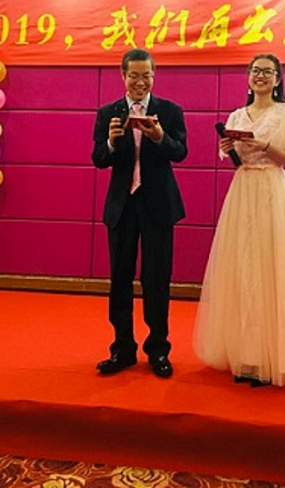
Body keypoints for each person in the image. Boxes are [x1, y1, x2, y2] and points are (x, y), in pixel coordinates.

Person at [193, 53, 285, 388]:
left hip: (272, 189)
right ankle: (246, 355)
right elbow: (234, 159)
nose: (260, 76)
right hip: (243, 189)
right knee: (242, 268)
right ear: (248, 77)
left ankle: (271, 358)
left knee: (270, 267)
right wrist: (228, 146)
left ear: (277, 79)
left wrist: (265, 145)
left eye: (267, 71)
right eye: (255, 71)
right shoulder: (237, 115)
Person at [92, 48, 187, 378]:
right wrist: (111, 142)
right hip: (122, 207)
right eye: (133, 75)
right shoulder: (108, 113)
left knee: (156, 280)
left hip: (158, 207)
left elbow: (181, 152)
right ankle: (122, 349)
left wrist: (160, 137)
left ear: (154, 75)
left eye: (146, 75)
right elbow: (98, 159)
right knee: (120, 280)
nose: (140, 82)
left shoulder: (170, 111)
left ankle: (158, 350)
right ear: (123, 75)